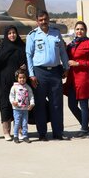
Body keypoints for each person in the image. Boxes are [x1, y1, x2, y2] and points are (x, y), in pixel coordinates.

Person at [26, 10, 70, 141]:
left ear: (49, 19)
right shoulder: (32, 35)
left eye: (45, 19)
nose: (43, 22)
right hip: (40, 72)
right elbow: (28, 55)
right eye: (41, 20)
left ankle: (58, 132)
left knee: (56, 103)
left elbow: (62, 51)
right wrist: (31, 74)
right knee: (40, 104)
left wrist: (66, 67)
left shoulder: (56, 33)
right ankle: (42, 133)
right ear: (37, 21)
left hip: (55, 72)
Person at [64, 21, 89, 138]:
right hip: (72, 79)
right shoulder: (71, 45)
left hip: (83, 78)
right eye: (77, 29)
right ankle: (85, 125)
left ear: (85, 31)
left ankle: (84, 129)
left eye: (82, 29)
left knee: (84, 105)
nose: (79, 31)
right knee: (72, 105)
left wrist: (78, 63)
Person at [0, 25, 27, 141]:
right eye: (9, 33)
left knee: (20, 105)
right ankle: (6, 132)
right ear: (6, 35)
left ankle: (20, 131)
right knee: (5, 105)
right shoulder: (2, 48)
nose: (12, 35)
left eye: (14, 33)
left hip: (19, 83)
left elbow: (27, 60)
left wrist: (24, 66)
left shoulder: (22, 46)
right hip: (4, 83)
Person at [9, 68, 35, 144]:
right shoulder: (14, 87)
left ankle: (25, 136)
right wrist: (13, 102)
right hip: (17, 109)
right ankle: (15, 136)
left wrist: (32, 103)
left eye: (23, 78)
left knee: (24, 123)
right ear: (17, 78)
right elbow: (11, 96)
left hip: (25, 109)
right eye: (20, 78)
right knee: (17, 122)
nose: (22, 79)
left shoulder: (27, 87)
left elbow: (31, 96)